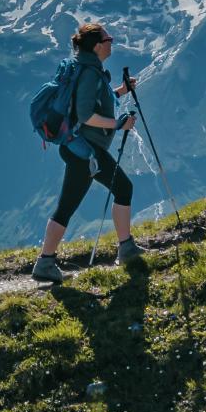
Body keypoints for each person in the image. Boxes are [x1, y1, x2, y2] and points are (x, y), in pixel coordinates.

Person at [32, 23, 143, 283]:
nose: (111, 42)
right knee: (123, 189)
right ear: (97, 45)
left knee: (67, 205)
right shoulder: (90, 73)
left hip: (78, 149)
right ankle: (126, 249)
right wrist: (117, 124)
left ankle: (45, 262)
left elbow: (93, 105)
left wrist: (121, 91)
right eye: (108, 39)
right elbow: (86, 115)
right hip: (86, 151)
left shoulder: (84, 68)